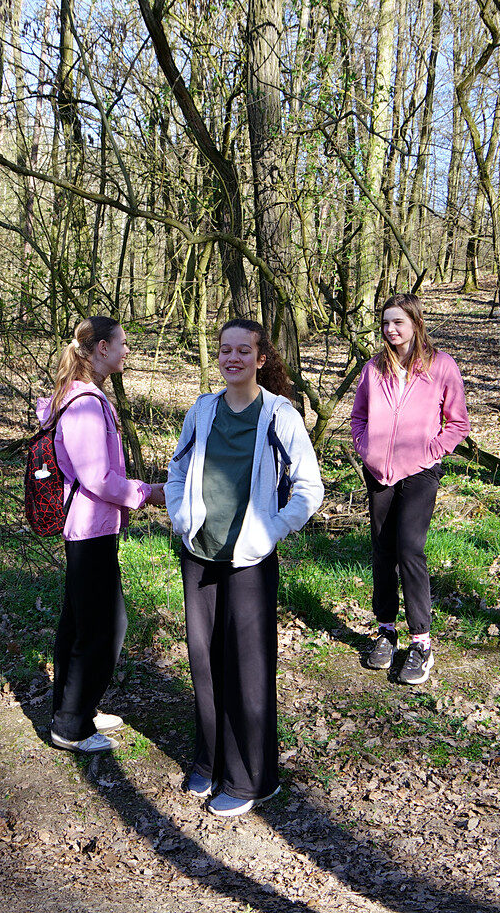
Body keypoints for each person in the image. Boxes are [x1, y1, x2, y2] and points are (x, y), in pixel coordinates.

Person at [165, 319, 324, 817]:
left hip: (249, 559)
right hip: (200, 553)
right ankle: (210, 760)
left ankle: (251, 777)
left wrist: (270, 531)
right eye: (224, 350)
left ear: (260, 358)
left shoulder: (279, 415)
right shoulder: (202, 409)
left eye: (243, 351)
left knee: (248, 669)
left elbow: (309, 489)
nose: (232, 358)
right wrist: (180, 515)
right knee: (204, 660)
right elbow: (177, 470)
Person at [37, 316, 166, 753]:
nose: (128, 351)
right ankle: (71, 726)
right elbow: (97, 477)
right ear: (103, 348)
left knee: (81, 622)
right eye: (122, 343)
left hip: (91, 526)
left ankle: (77, 709)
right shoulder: (86, 404)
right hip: (89, 528)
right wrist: (147, 493)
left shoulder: (83, 396)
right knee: (102, 628)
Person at [351, 293, 470, 685]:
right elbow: (358, 418)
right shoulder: (374, 368)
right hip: (379, 472)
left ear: (416, 323)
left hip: (420, 471)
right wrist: (367, 450)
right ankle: (386, 630)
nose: (390, 330)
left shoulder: (441, 365)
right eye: (385, 323)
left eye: (398, 322)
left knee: (409, 548)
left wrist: (431, 452)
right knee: (383, 550)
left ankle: (421, 641)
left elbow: (458, 423)